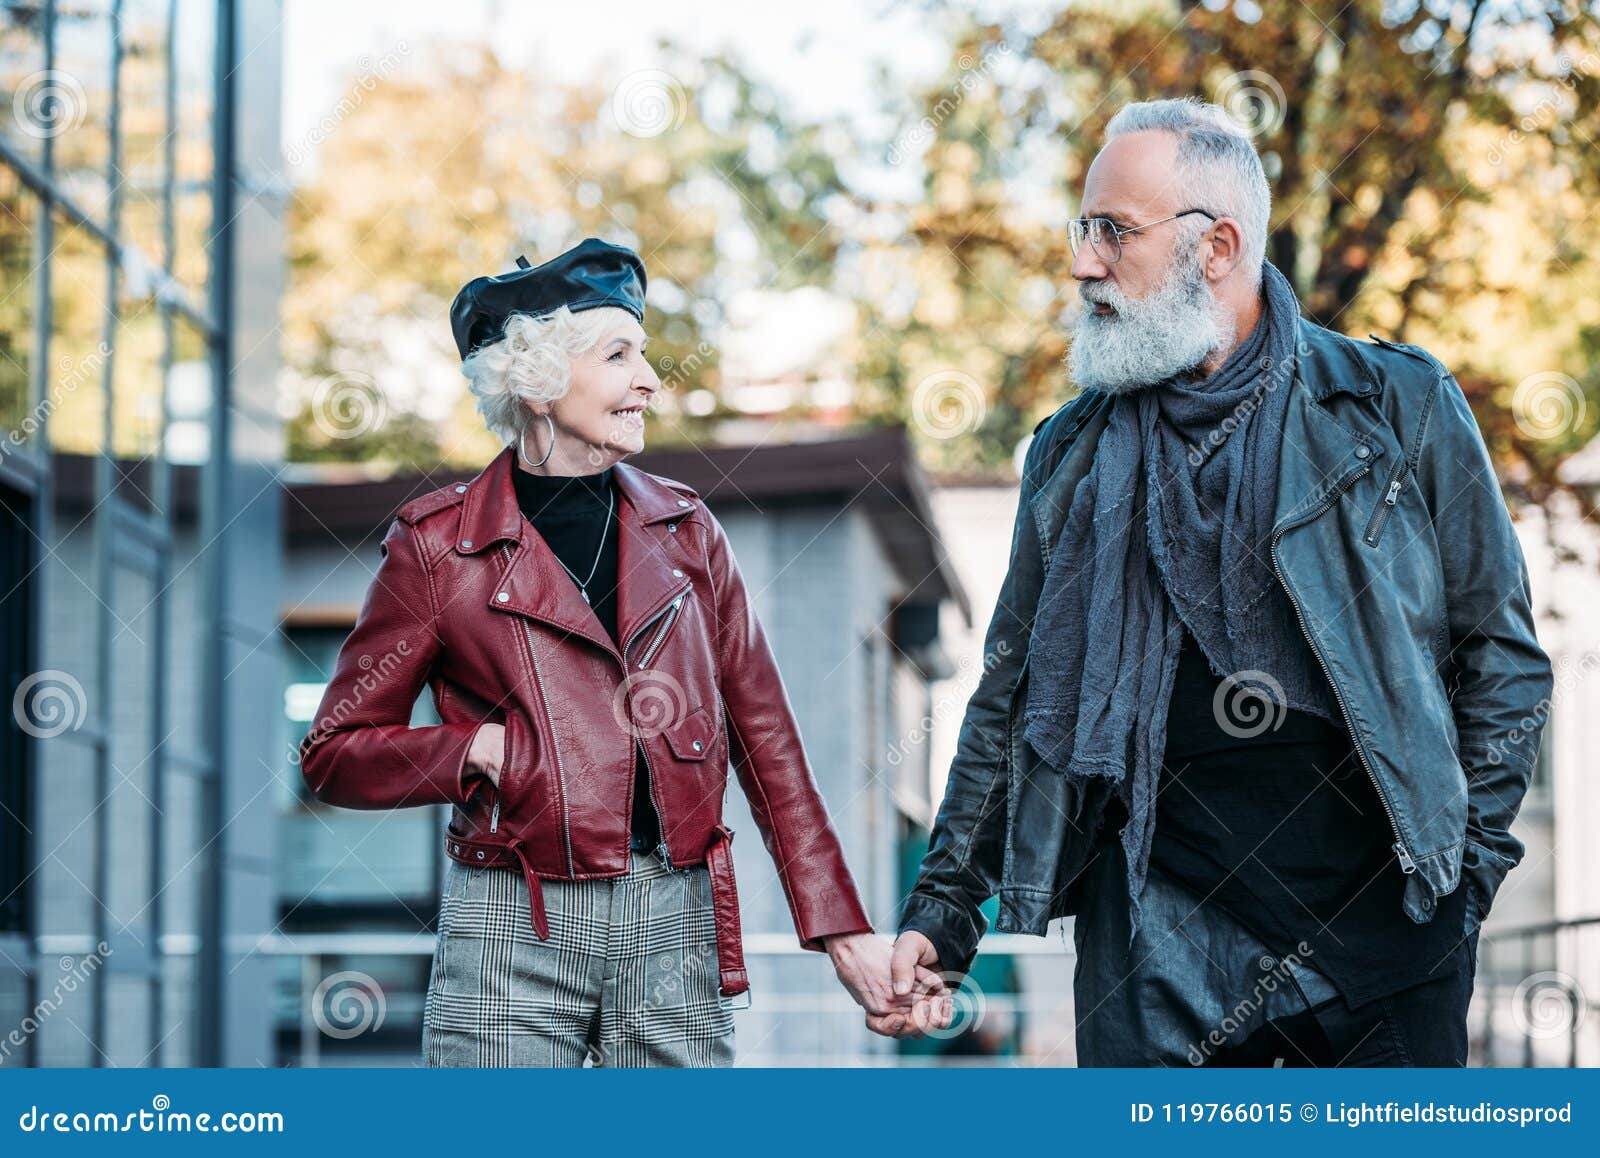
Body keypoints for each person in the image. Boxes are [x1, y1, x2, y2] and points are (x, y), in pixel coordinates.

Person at [877, 99, 1554, 1066]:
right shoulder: (1068, 455)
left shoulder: (1397, 407)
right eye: (1083, 229)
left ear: (1218, 246)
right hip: (1156, 950)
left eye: (1114, 231)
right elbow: (1012, 697)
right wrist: (942, 917)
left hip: (1386, 943)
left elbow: (1505, 664)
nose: (1083, 263)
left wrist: (1463, 886)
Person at [298, 237, 935, 1066]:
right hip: (510, 921)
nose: (650, 381)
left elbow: (767, 742)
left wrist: (842, 930)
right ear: (535, 377)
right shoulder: (436, 547)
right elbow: (333, 755)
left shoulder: (688, 532)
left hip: (677, 917)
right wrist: (476, 749)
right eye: (619, 355)